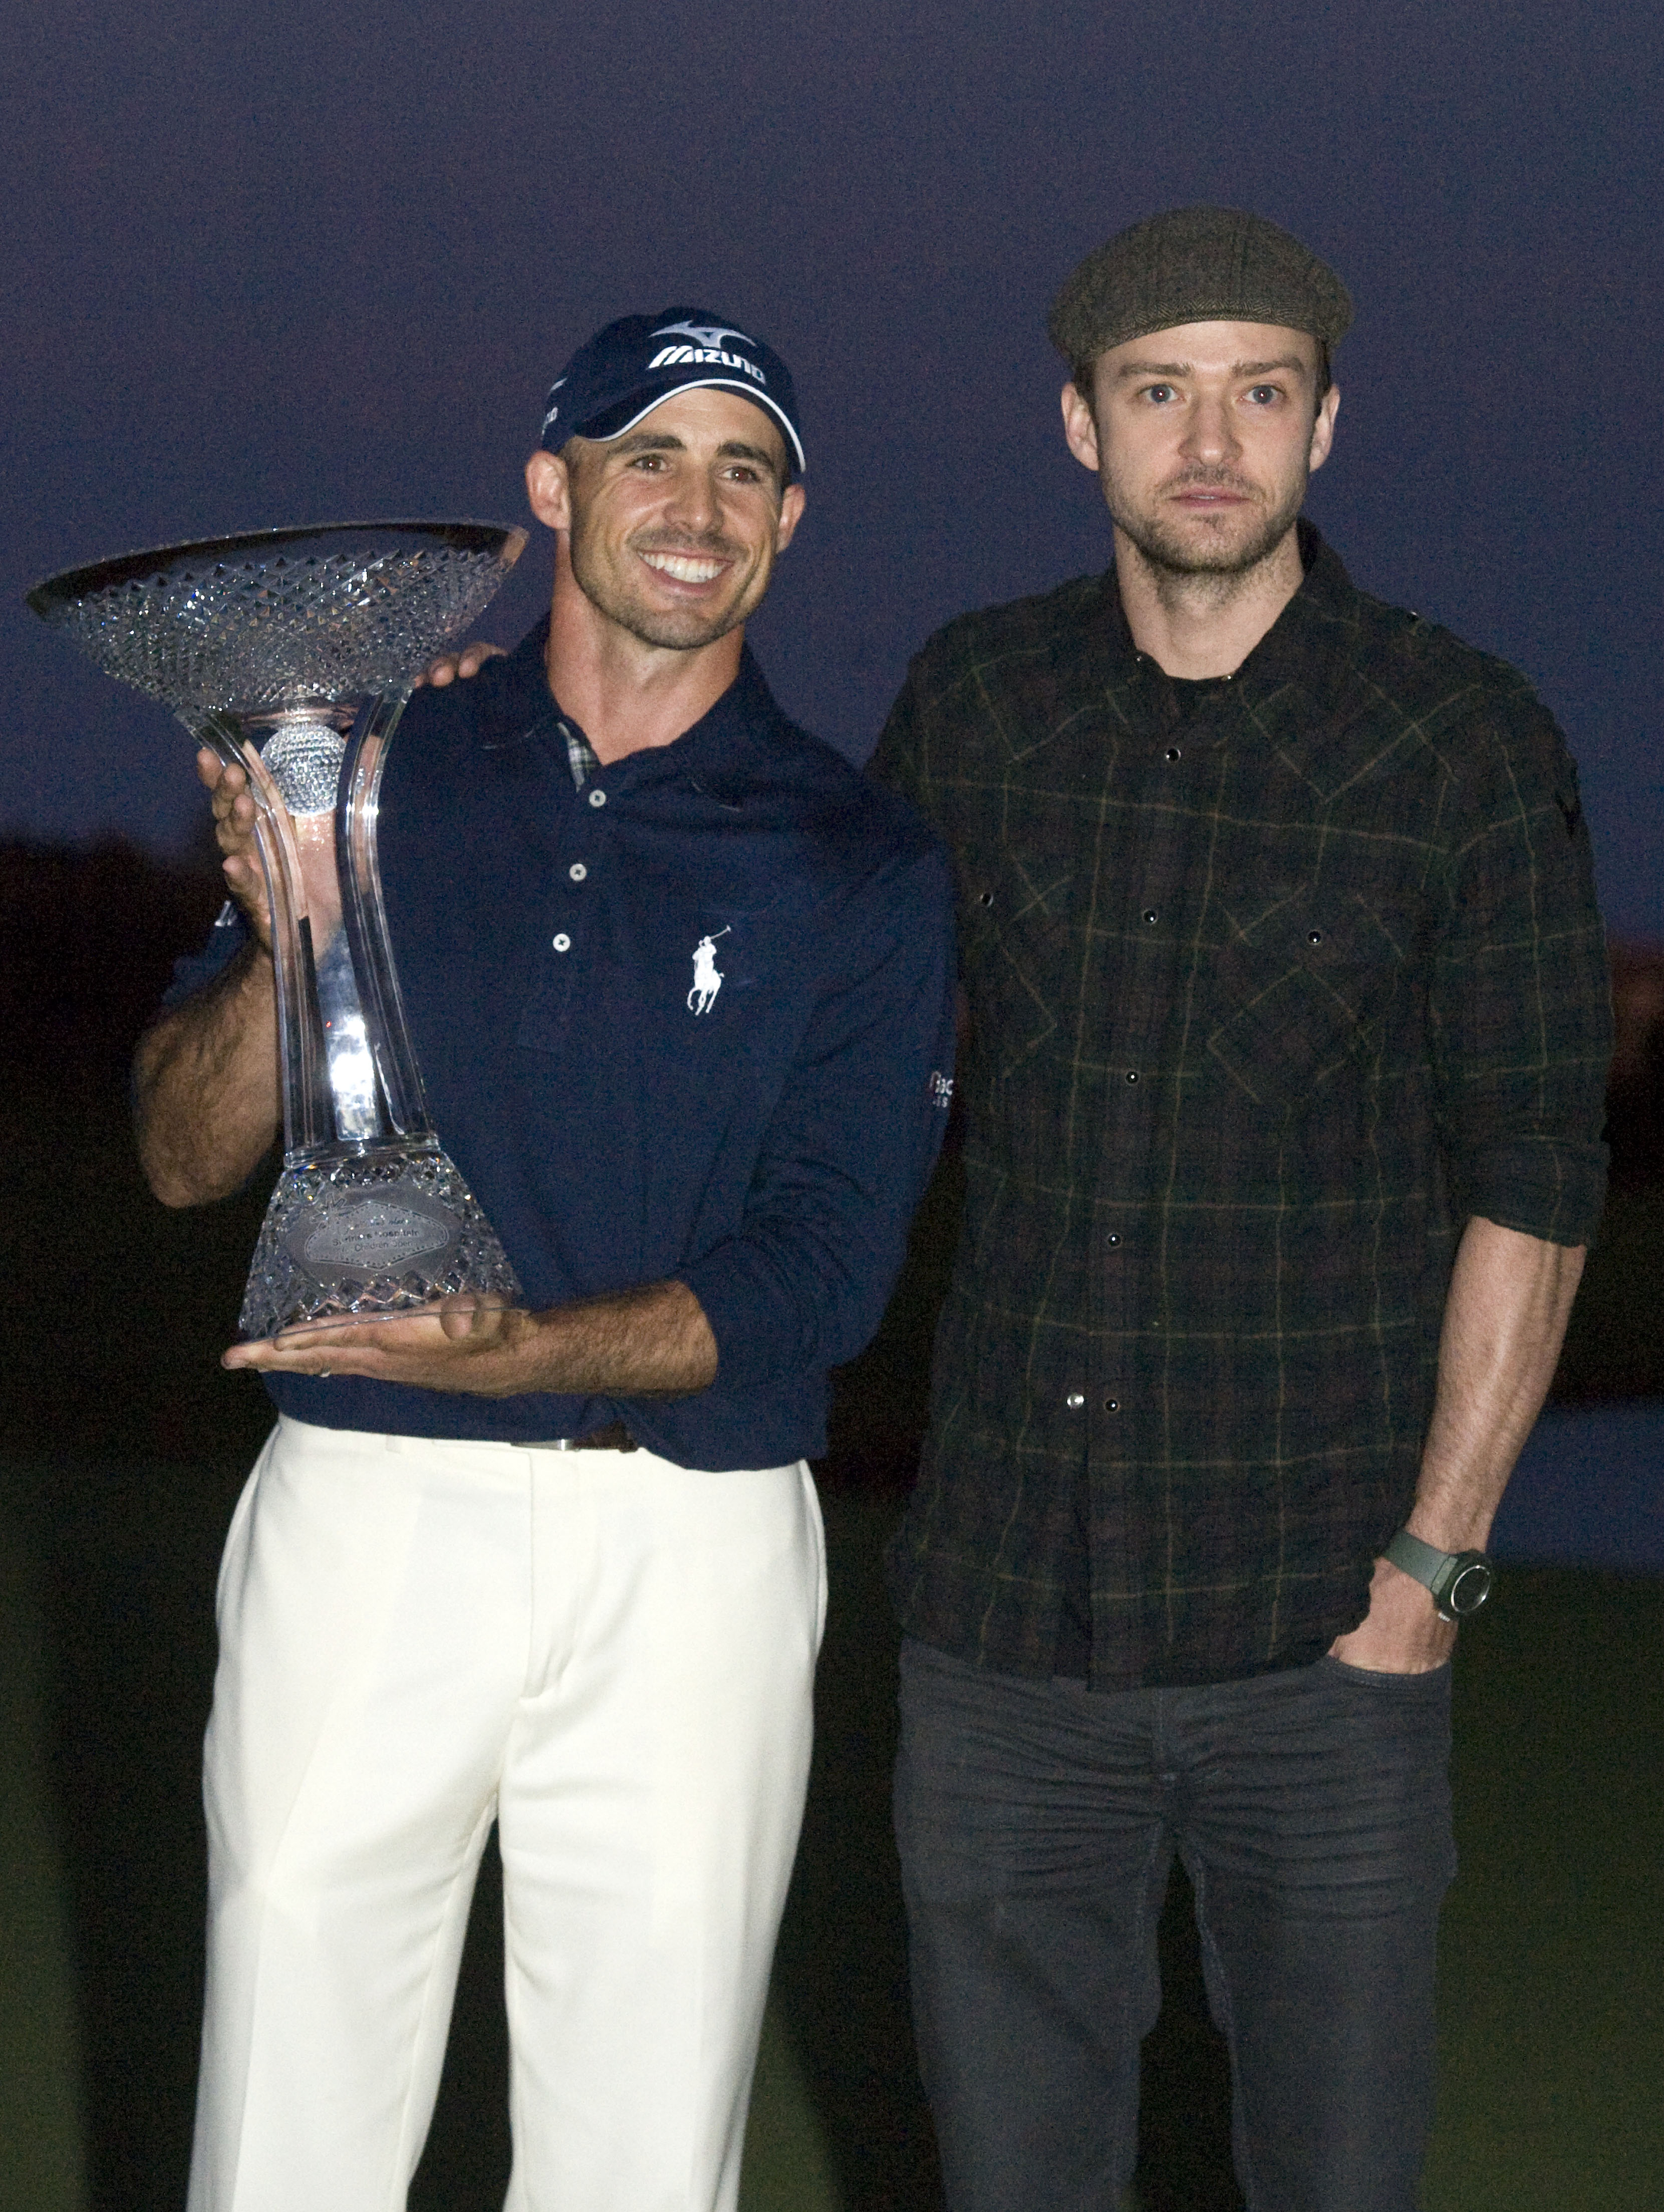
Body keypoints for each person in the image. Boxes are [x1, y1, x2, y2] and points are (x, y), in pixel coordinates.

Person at [134, 308, 957, 2212]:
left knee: (642, 2161)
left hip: (692, 1545)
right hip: (365, 1508)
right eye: (648, 454)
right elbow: (182, 1161)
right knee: (286, 2131)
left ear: (790, 520)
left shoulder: (858, 854)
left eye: (742, 468)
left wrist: (532, 1352)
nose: (695, 503)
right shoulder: (371, 758)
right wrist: (288, 925)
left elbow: (829, 1271)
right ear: (549, 488)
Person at [868, 207, 1613, 2212]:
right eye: (1160, 392)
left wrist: (1431, 1574)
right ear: (1079, 425)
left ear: (1327, 427)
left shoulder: (1463, 740)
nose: (1212, 439)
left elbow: (1539, 1167)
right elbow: (828, 1036)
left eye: (1259, 394)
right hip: (1007, 1634)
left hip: (1323, 1641)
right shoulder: (977, 705)